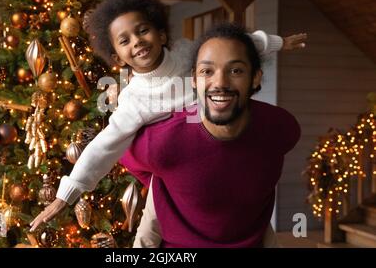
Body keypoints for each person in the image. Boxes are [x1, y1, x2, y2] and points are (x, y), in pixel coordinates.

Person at [30, 0, 307, 232]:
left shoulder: (188, 53)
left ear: (161, 34)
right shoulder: (134, 100)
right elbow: (104, 146)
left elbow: (237, 47)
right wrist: (66, 195)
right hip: (178, 180)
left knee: (250, 224)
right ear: (117, 58)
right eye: (124, 41)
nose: (136, 41)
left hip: (223, 158)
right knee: (154, 229)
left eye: (142, 30)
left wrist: (278, 43)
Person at [120, 23, 301, 247]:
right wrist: (171, 183)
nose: (220, 83)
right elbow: (123, 154)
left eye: (235, 71)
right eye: (207, 71)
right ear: (194, 81)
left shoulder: (281, 128)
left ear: (255, 78)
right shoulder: (163, 140)